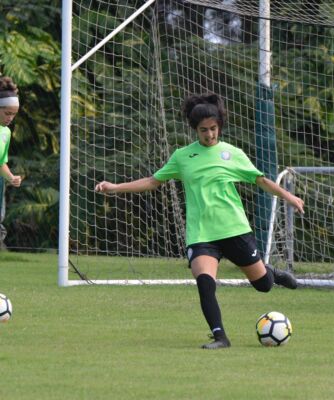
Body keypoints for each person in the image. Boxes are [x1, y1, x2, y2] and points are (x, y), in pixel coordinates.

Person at [95, 93, 305, 348]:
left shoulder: (232, 154)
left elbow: (261, 180)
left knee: (263, 286)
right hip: (201, 233)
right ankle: (220, 337)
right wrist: (115, 187)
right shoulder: (182, 157)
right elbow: (152, 181)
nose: (209, 135)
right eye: (204, 130)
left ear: (219, 126)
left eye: (213, 128)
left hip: (234, 229)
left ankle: (271, 273)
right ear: (195, 130)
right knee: (205, 282)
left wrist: (289, 197)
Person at [0, 76, 22, 248]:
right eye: (7, 113)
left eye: (14, 114)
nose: (10, 118)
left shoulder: (5, 133)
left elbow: (1, 162)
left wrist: (11, 177)